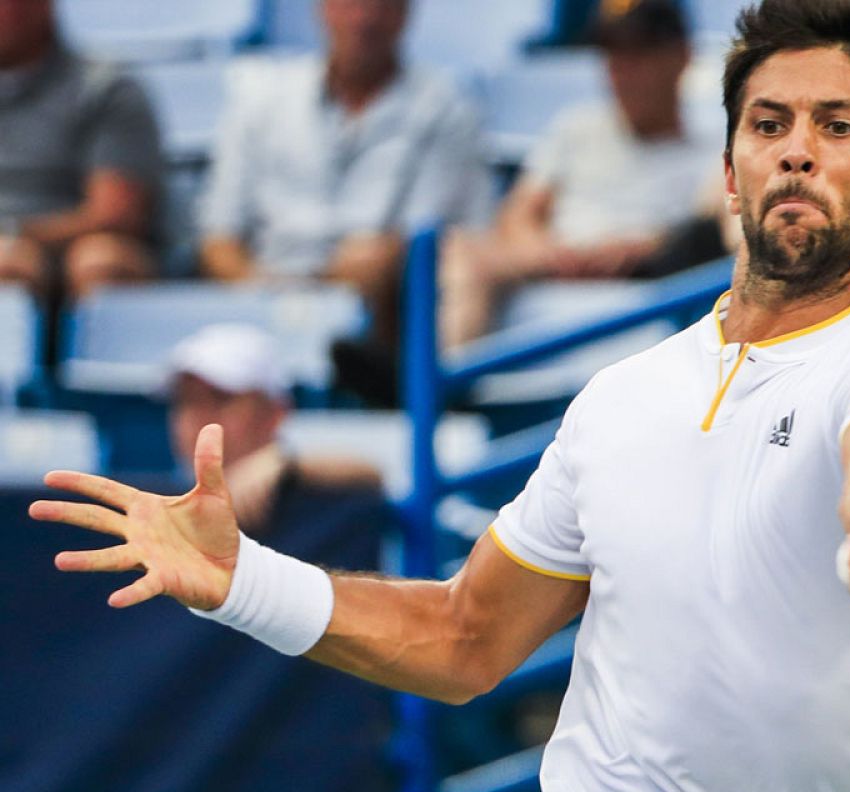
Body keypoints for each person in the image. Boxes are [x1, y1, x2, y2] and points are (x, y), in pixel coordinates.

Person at [32, 2, 850, 792]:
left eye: (838, 126)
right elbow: (466, 636)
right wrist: (243, 578)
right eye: (769, 124)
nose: (797, 151)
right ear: (732, 171)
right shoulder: (620, 400)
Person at [196, 0, 494, 385]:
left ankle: (392, 384)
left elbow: (422, 235)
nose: (364, 19)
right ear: (322, 8)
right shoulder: (261, 99)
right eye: (350, 3)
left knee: (385, 260)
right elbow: (218, 238)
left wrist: (334, 281)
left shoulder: (445, 107)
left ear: (405, 13)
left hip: (382, 307)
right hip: (262, 294)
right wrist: (263, 291)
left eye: (380, 6)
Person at [437, 0, 728, 351]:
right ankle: (445, 377)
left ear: (681, 56)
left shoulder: (718, 149)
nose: (624, 71)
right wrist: (548, 254)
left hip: (654, 286)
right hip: (553, 268)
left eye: (640, 53)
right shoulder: (576, 127)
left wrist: (641, 249)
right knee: (456, 250)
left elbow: (707, 233)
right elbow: (519, 214)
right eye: (614, 55)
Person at [0, 0, 162, 322]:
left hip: (75, 246)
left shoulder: (106, 87)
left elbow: (113, 214)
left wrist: (14, 232)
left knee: (98, 260)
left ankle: (102, 352)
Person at [164, 323, 384, 534]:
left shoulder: (331, 510)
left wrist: (288, 464)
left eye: (221, 399)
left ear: (275, 413)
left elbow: (375, 474)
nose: (198, 416)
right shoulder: (158, 511)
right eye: (186, 400)